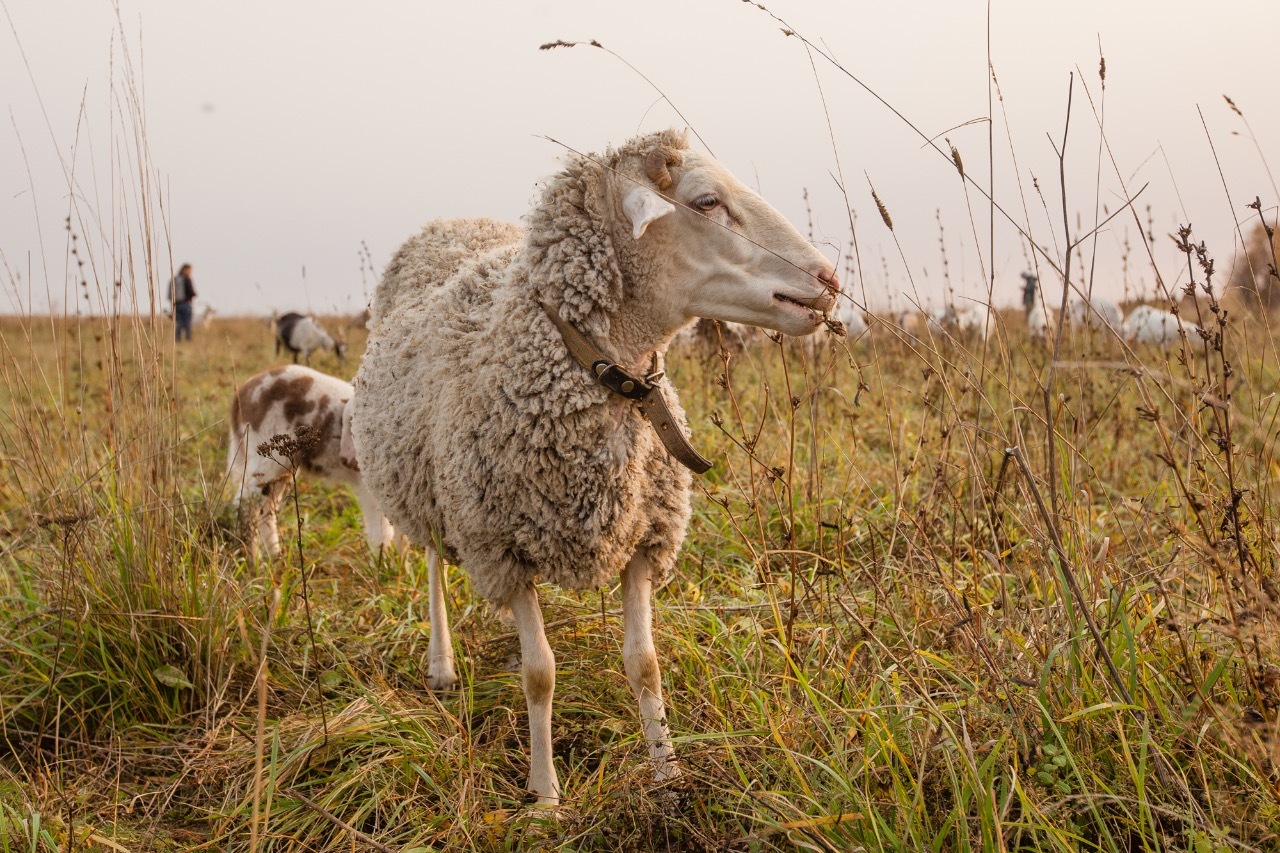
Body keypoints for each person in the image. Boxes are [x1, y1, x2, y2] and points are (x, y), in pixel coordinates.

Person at [169, 263, 197, 341]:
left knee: (179, 323)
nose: (191, 272)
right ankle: (188, 338)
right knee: (187, 323)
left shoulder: (175, 279)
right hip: (186, 304)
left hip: (176, 304)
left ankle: (178, 339)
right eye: (190, 270)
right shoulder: (187, 279)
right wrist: (195, 294)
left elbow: (170, 294)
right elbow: (191, 292)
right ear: (186, 270)